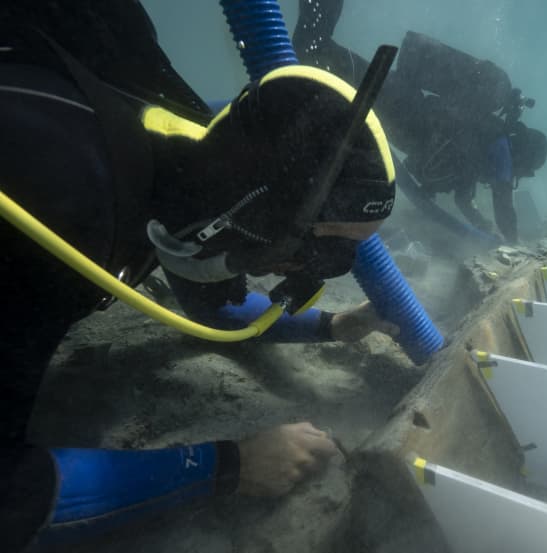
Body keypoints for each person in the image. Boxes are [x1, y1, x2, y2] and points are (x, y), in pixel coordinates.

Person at [0, 1, 398, 550]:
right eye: (331, 253)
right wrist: (229, 467)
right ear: (270, 213)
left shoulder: (192, 175)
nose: (325, 272)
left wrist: (333, 326)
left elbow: (215, 308)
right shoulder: (59, 200)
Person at [293, 0, 547, 244]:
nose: (518, 175)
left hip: (407, 120)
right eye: (525, 170)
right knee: (329, 57)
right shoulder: (498, 144)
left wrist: (481, 226)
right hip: (410, 112)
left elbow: (463, 200)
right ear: (524, 155)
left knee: (332, 66)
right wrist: (512, 240)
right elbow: (503, 201)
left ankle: (306, 50)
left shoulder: (482, 149)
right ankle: (306, 37)